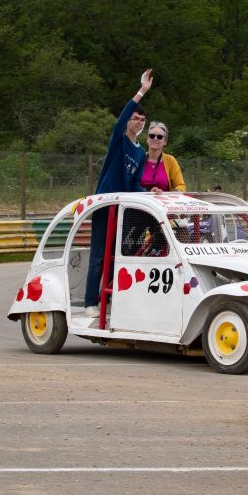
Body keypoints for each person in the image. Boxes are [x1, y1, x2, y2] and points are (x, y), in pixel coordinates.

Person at [83, 69, 153, 319]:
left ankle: (109, 298)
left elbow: (133, 184)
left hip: (123, 209)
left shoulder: (140, 153)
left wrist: (148, 193)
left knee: (117, 256)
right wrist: (141, 91)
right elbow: (121, 118)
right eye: (135, 119)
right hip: (104, 205)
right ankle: (90, 302)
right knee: (99, 255)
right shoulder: (119, 140)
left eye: (142, 121)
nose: (139, 123)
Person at [140, 121, 186, 193]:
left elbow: (181, 186)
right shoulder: (139, 159)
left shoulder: (170, 161)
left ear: (165, 141)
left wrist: (172, 193)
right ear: (147, 139)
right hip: (141, 202)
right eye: (152, 136)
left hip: (163, 203)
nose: (155, 138)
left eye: (160, 137)